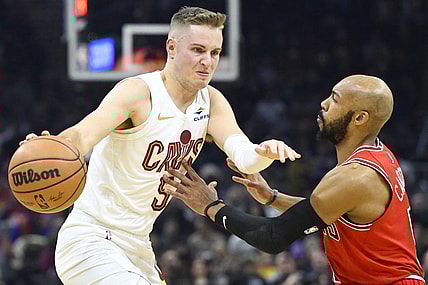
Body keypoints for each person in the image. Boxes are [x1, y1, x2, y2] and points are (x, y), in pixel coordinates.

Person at [19, 6, 301, 285]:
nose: (208, 61)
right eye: (198, 50)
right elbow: (83, 134)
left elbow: (244, 156)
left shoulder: (211, 101)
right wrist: (55, 146)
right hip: (91, 238)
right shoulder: (138, 93)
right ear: (172, 47)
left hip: (139, 245)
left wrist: (264, 152)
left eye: (214, 53)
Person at [163, 75, 426, 284]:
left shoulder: (355, 177)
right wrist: (273, 197)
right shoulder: (380, 154)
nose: (323, 103)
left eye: (334, 100)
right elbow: (331, 213)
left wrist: (211, 206)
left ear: (359, 118)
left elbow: (273, 237)